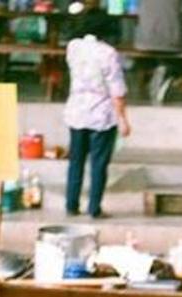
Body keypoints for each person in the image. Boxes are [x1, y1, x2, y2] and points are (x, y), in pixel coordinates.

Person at [64, 7, 131, 219]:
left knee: (76, 161)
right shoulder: (108, 53)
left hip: (76, 111)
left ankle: (71, 204)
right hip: (101, 115)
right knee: (98, 164)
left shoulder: (73, 47)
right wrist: (123, 120)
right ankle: (94, 208)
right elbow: (117, 91)